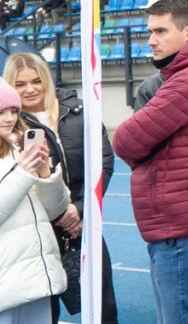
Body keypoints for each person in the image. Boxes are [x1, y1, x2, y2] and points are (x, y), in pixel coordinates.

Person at [113, 0, 188, 324]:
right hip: (182, 223)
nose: (151, 40)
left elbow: (124, 141)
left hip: (183, 226)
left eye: (161, 31)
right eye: (150, 31)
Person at [7, 53, 119, 323]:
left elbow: (102, 161)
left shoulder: (80, 112)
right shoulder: (10, 127)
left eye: (36, 81)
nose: (31, 89)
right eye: (20, 84)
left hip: (84, 223)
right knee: (47, 310)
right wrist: (60, 215)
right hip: (42, 231)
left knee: (102, 302)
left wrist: (79, 210)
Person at [0, 77, 69, 322]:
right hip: (6, 284)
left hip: (37, 277)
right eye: (1, 112)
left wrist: (45, 174)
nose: (9, 118)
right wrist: (22, 174)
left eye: (13, 111)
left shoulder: (22, 148)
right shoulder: (20, 162)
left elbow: (56, 211)